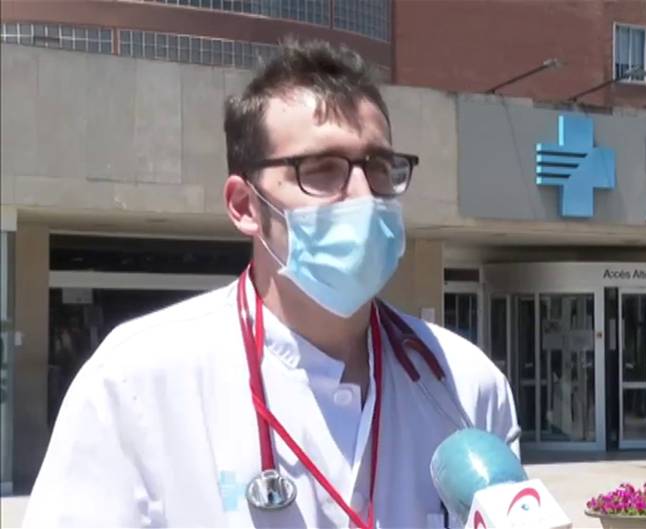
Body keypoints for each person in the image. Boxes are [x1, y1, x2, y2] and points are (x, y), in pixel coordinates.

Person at [23, 40, 518, 528]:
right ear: (245, 206)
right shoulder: (136, 383)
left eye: (380, 168)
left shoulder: (465, 384)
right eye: (322, 170)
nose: (365, 196)